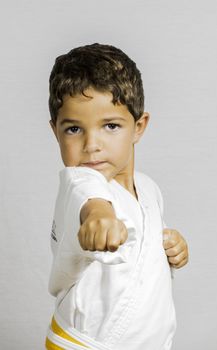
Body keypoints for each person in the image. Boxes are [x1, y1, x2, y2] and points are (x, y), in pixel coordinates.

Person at [45, 43, 189, 350]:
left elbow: (144, 247)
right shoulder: (78, 184)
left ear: (139, 127)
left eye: (110, 126)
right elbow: (91, 199)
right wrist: (99, 216)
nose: (91, 144)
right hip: (85, 344)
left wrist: (170, 245)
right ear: (55, 131)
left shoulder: (148, 188)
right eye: (73, 129)